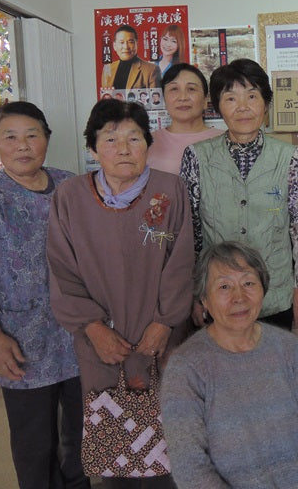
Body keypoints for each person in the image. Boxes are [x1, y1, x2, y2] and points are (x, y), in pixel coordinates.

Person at [48, 99, 194, 488]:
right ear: (93, 149)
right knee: (116, 455)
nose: (124, 148)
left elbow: (181, 264)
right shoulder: (70, 196)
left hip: (160, 339)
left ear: (148, 144)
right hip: (100, 343)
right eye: (110, 139)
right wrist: (93, 328)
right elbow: (62, 272)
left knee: (167, 450)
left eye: (134, 138)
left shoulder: (170, 190)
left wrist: (164, 322)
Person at [0, 102, 88, 489]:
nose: (22, 146)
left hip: (81, 338)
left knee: (82, 439)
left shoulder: (73, 187)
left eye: (32, 135)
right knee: (35, 445)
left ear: (46, 140)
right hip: (20, 344)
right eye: (10, 137)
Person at [160, 241, 298, 488]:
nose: (239, 297)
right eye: (224, 286)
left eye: (248, 283)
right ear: (204, 299)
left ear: (263, 288)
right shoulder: (186, 367)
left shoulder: (287, 348)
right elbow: (190, 467)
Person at [180, 58, 298, 330]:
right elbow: (190, 231)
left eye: (252, 96)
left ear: (265, 103)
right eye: (230, 98)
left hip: (275, 293)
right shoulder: (196, 157)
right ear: (217, 106)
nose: (243, 107)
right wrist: (195, 293)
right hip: (217, 295)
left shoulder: (288, 158)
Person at [147, 63, 223, 175]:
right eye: (174, 89)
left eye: (191, 89)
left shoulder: (225, 142)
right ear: (164, 99)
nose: (183, 97)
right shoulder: (147, 143)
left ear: (206, 100)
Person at [101, 24, 161, 90]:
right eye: (121, 42)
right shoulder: (107, 69)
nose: (126, 47)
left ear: (137, 44)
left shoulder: (151, 70)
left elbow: (156, 99)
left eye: (130, 42)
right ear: (114, 46)